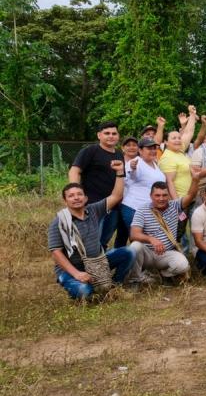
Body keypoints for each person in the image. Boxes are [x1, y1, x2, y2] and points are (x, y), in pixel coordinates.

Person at [48, 160, 135, 299]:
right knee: (84, 291)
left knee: (129, 252)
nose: (76, 198)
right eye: (71, 196)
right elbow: (56, 252)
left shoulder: (94, 210)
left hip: (97, 262)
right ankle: (79, 285)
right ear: (65, 201)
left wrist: (119, 172)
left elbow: (116, 196)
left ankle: (114, 286)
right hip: (73, 270)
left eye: (79, 194)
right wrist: (77, 274)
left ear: (85, 198)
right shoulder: (59, 222)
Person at [128, 175, 200, 286]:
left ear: (168, 196)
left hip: (166, 253)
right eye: (157, 195)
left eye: (164, 195)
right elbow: (134, 234)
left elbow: (191, 195)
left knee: (183, 265)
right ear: (151, 196)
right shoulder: (142, 210)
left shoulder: (175, 206)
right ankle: (135, 280)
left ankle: (163, 275)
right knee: (135, 246)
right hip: (148, 254)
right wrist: (151, 239)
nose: (161, 198)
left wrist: (195, 179)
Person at [69, 121, 124, 249]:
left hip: (114, 207)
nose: (111, 136)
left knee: (103, 242)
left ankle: (101, 267)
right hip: (93, 206)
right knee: (90, 243)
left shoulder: (119, 154)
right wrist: (75, 195)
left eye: (114, 133)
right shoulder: (91, 151)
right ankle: (86, 268)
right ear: (99, 135)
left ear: (118, 136)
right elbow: (74, 171)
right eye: (107, 133)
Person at [119, 138, 166, 248]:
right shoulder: (135, 162)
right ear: (140, 150)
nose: (153, 150)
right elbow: (131, 173)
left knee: (142, 241)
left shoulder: (155, 163)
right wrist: (132, 168)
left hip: (148, 210)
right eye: (149, 148)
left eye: (154, 148)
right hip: (133, 208)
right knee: (137, 241)